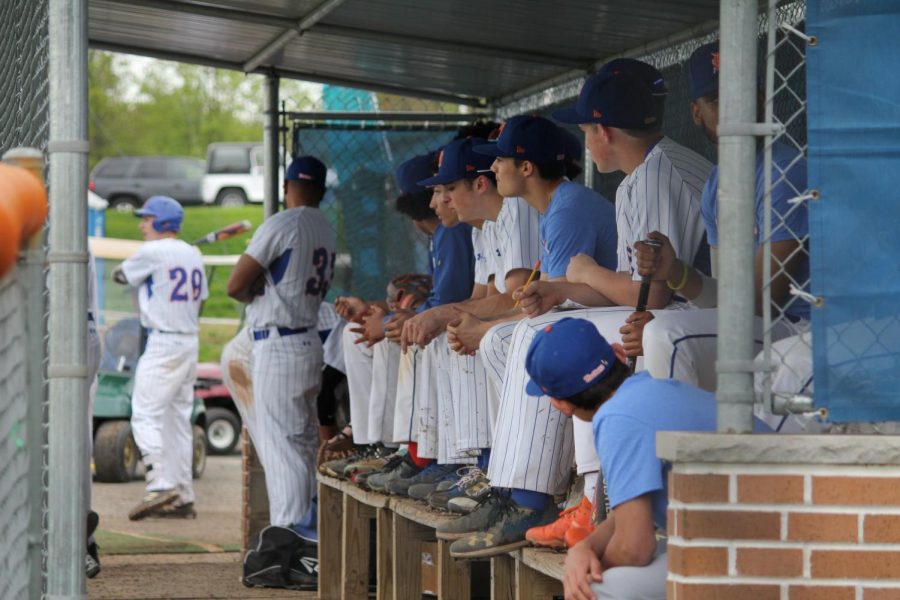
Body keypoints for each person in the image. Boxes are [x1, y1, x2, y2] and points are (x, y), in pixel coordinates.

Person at [446, 59, 711, 558]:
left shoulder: (659, 174)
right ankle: (558, 493)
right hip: (676, 311)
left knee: (545, 336)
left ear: (604, 131)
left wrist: (580, 279)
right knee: (543, 325)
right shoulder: (640, 176)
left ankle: (549, 497)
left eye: (589, 129)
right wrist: (563, 289)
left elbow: (651, 293)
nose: (587, 141)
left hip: (696, 314)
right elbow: (632, 289)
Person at [434, 115, 618, 558]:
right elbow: (551, 295)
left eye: (500, 162)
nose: (493, 170)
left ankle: (530, 497)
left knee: (520, 336)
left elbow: (556, 301)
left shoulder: (568, 207)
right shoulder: (555, 207)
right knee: (509, 337)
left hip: (624, 311)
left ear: (527, 167)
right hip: (604, 307)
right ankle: (509, 485)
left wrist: (488, 327)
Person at [523, 318, 769, 600]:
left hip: (767, 553)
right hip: (779, 534)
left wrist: (587, 569)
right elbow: (627, 515)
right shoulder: (649, 390)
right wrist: (585, 548)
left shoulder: (617, 417)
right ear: (618, 353)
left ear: (561, 404)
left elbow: (634, 547)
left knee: (594, 590)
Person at [620, 41, 810, 391]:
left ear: (762, 97)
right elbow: (727, 296)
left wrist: (667, 321)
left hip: (800, 328)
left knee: (665, 333)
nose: (732, 108)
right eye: (717, 100)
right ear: (696, 112)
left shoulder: (784, 172)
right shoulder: (715, 184)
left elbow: (757, 303)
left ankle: (674, 445)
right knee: (645, 333)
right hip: (757, 329)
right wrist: (675, 272)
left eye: (740, 93)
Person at [226, 156, 336, 591]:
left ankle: (291, 547)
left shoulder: (285, 220)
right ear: (322, 190)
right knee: (299, 445)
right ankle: (299, 537)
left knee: (285, 448)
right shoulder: (324, 225)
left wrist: (256, 286)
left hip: (280, 342)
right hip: (304, 338)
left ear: (288, 185)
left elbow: (236, 285)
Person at [113, 196, 208, 521]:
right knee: (177, 420)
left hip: (163, 342)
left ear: (163, 222)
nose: (142, 224)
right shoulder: (192, 254)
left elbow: (120, 275)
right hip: (188, 342)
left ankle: (159, 484)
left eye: (147, 218)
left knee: (144, 414)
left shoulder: (153, 252)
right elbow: (202, 299)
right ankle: (182, 495)